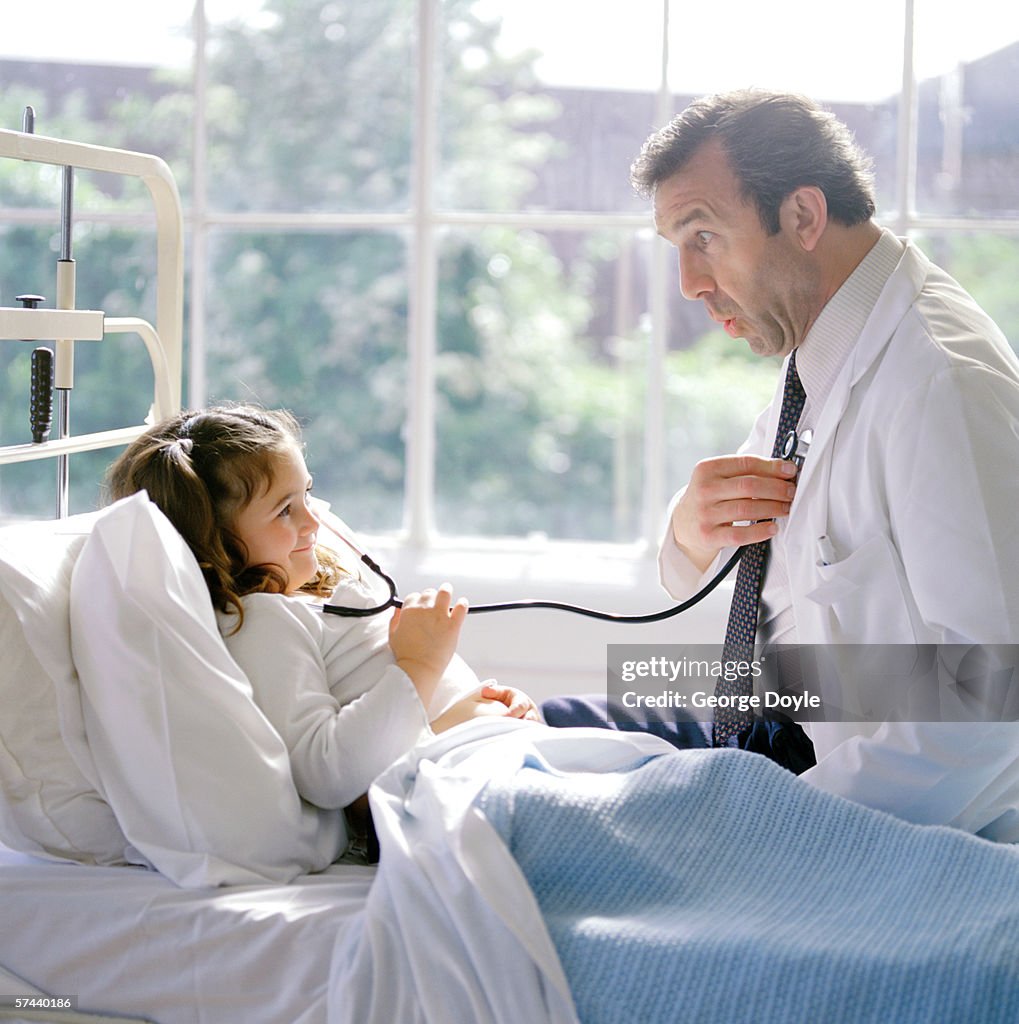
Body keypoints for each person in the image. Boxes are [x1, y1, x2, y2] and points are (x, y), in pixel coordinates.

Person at [545, 89, 1019, 842]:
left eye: (703, 236)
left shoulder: (939, 383)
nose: (689, 284)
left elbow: (996, 697)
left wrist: (779, 832)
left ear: (801, 217)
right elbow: (757, 550)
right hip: (779, 723)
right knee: (528, 734)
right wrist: (691, 529)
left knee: (543, 809)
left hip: (857, 800)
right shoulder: (829, 344)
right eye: (675, 246)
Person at [106, 404, 539, 861]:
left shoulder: (310, 600)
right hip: (461, 791)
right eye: (284, 511)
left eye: (307, 496)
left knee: (609, 713)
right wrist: (422, 667)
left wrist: (484, 709)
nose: (313, 523)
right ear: (213, 541)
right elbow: (331, 773)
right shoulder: (262, 621)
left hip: (493, 757)